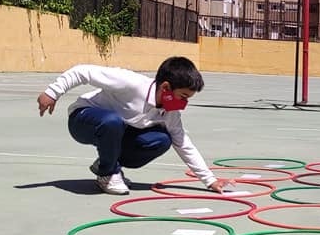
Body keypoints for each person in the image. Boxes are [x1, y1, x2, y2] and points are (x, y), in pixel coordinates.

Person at [36, 57, 228, 195]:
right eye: (183, 96)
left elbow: (184, 144)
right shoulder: (132, 83)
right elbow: (83, 71)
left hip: (117, 129)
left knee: (162, 140)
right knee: (112, 121)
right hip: (83, 120)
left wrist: (210, 181)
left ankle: (106, 163)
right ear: (166, 88)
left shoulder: (170, 112)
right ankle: (108, 174)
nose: (184, 103)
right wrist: (53, 92)